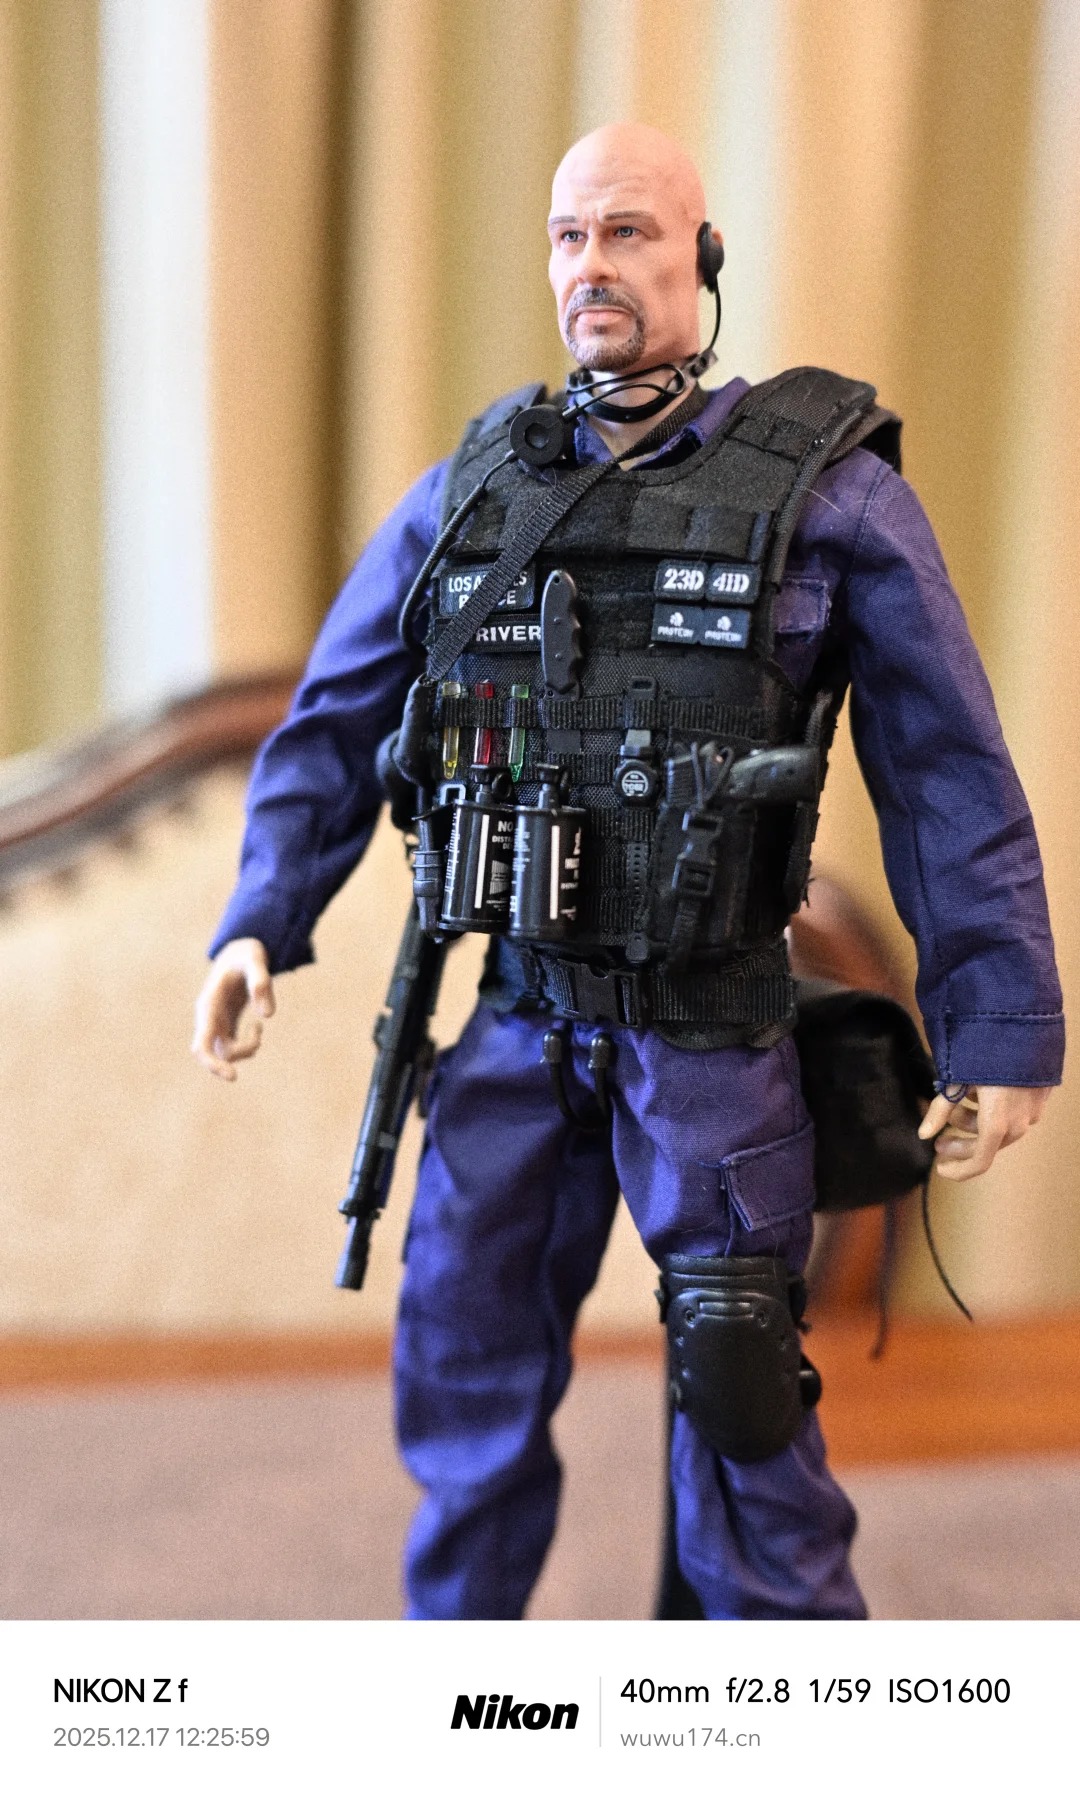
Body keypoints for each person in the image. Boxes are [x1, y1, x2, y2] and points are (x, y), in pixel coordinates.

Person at [193, 124, 1063, 1620]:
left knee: (742, 1398)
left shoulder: (825, 495)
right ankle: (460, 1687)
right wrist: (260, 918)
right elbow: (333, 723)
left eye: (629, 232)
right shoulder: (478, 489)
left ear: (702, 255)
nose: (592, 265)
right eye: (568, 236)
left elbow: (949, 772)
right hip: (518, 1021)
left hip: (709, 1034)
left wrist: (1000, 1025)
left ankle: (789, 1703)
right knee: (461, 1374)